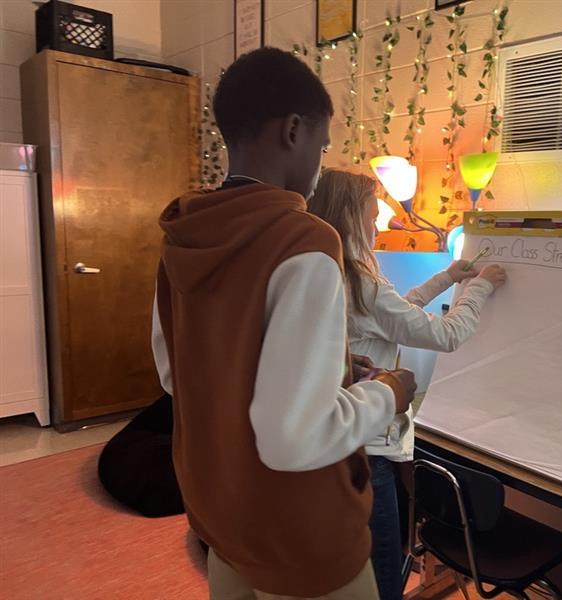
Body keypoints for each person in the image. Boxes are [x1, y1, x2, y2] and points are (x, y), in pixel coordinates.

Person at [151, 47, 417, 600]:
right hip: (301, 529)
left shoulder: (183, 234)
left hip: (222, 510)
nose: (320, 168)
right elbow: (293, 439)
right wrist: (388, 395)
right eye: (323, 145)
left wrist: (337, 371)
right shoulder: (305, 239)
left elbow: (179, 374)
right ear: (294, 130)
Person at [307, 169, 506, 600]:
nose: (375, 223)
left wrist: (450, 278)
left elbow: (398, 313)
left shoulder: (331, 274)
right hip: (370, 442)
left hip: (340, 435)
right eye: (371, 213)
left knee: (364, 553)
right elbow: (445, 335)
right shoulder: (361, 283)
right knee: (381, 562)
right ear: (348, 215)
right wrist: (480, 288)